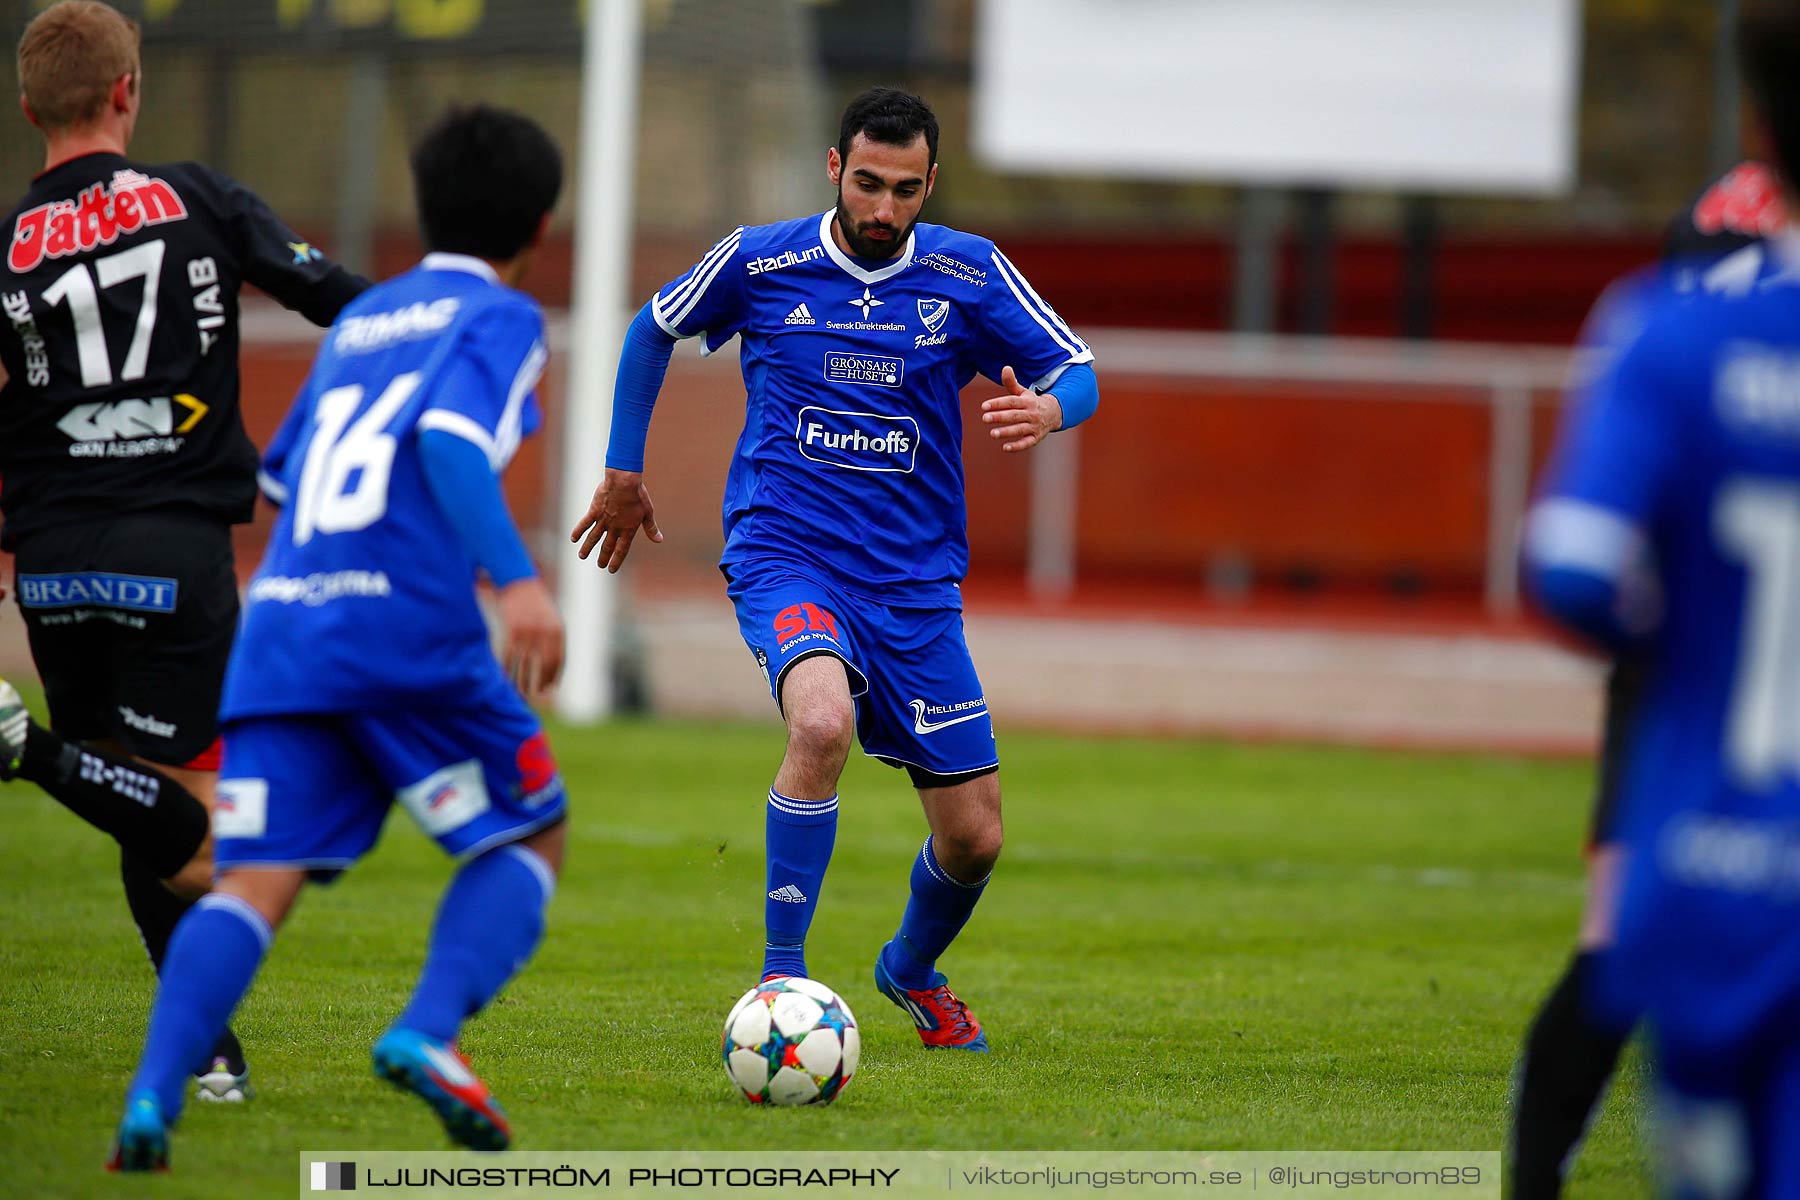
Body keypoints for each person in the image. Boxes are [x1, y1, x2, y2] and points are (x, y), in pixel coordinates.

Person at [572, 85, 1100, 1052]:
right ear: (833, 169)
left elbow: (1079, 369)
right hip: (787, 556)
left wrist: (1052, 410)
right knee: (823, 721)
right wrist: (621, 471)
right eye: (867, 184)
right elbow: (652, 328)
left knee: (975, 836)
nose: (883, 209)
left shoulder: (968, 273)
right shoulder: (760, 259)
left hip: (912, 587)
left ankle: (908, 969)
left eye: (906, 190)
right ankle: (782, 983)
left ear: (931, 183)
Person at [107, 102, 567, 1171]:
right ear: (539, 228)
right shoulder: (499, 318)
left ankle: (150, 1095)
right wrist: (520, 584)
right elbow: (451, 440)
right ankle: (428, 1030)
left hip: (284, 631)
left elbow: (280, 477)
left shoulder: (363, 322)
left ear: (424, 208)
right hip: (403, 627)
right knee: (529, 830)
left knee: (254, 882)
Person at [0, 0, 366, 1103]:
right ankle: (30, 751)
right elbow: (330, 296)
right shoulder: (198, 198)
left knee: (140, 801)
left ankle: (203, 1049)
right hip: (174, 549)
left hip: (53, 562)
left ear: (29, 110)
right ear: (128, 91)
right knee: (213, 836)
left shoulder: (8, 245)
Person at [1523, 4, 1800, 1191]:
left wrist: (1680, 639)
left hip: (1709, 826)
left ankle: (1531, 1178)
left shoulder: (1674, 326)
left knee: (1609, 950)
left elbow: (1573, 567)